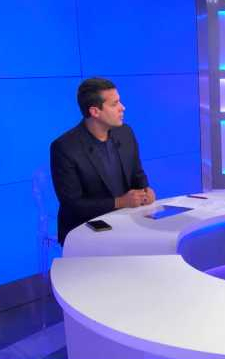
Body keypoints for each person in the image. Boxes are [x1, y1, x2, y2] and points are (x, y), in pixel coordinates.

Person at [50, 77, 156, 244]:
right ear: (95, 112)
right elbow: (73, 205)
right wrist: (119, 202)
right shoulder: (65, 148)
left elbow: (137, 173)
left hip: (126, 221)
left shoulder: (125, 133)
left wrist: (145, 191)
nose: (122, 107)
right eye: (115, 104)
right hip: (85, 230)